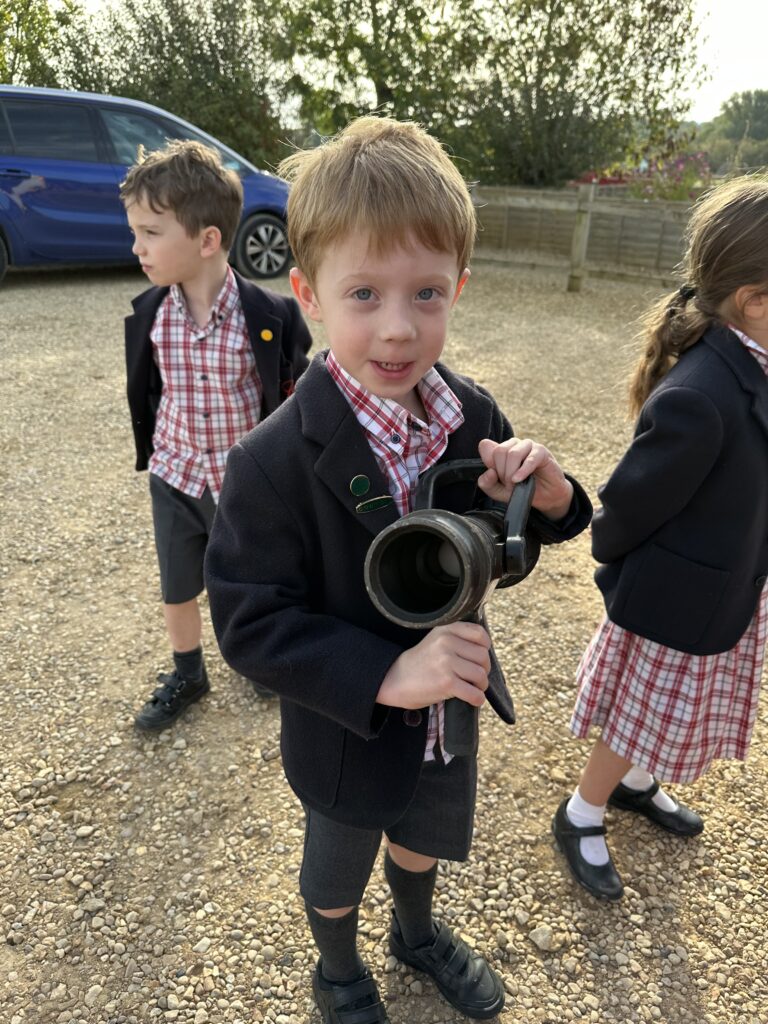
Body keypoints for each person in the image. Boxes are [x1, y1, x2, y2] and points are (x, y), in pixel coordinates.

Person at [205, 117, 592, 1024]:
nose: (398, 327)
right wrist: (385, 673)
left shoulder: (469, 416)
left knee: (423, 836)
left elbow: (515, 545)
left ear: (458, 287)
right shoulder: (270, 461)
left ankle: (415, 934)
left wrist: (547, 497)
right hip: (348, 729)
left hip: (452, 702)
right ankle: (336, 969)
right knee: (336, 865)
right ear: (307, 293)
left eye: (426, 294)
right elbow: (250, 624)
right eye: (365, 293)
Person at [552, 175, 768, 901]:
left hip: (720, 584)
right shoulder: (701, 398)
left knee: (668, 710)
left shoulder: (754, 363)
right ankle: (583, 810)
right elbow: (628, 504)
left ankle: (637, 780)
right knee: (641, 708)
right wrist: (613, 560)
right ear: (754, 302)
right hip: (672, 599)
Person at [121, 139, 311, 732]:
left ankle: (255, 652)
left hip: (242, 482)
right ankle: (188, 671)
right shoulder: (149, 315)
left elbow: (291, 392)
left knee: (253, 575)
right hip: (176, 472)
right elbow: (150, 390)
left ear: (207, 240)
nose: (137, 247)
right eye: (135, 231)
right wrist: (154, 450)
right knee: (178, 581)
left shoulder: (271, 317)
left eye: (151, 232)